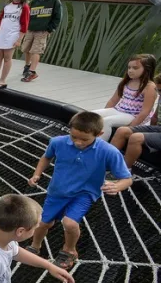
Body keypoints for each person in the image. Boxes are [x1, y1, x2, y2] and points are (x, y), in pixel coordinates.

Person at [28, 111, 133, 270]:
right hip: (57, 191)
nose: (78, 142)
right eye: (74, 137)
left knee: (69, 223)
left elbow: (127, 178)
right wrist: (37, 174)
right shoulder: (58, 142)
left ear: (99, 134)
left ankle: (69, 250)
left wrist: (117, 186)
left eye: (84, 139)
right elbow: (46, 157)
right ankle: (35, 246)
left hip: (84, 194)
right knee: (43, 223)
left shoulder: (108, 151)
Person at [93, 54, 158, 141]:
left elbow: (145, 111)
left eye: (135, 68)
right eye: (129, 67)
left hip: (132, 115)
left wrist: (131, 127)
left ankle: (99, 147)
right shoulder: (126, 82)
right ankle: (86, 139)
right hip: (118, 110)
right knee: (91, 116)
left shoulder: (149, 86)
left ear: (147, 69)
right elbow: (113, 101)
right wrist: (103, 115)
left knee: (107, 122)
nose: (130, 70)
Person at [0, 0, 30, 89]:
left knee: (7, 57)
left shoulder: (24, 8)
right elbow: (0, 22)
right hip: (2, 34)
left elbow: (24, 25)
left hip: (12, 35)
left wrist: (19, 39)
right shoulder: (7, 7)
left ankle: (2, 80)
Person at [21, 0, 62, 82]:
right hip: (31, 29)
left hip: (42, 30)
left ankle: (32, 72)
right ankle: (27, 66)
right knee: (27, 48)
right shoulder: (35, 1)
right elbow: (27, 13)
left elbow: (57, 17)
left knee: (36, 50)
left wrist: (50, 29)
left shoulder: (55, 1)